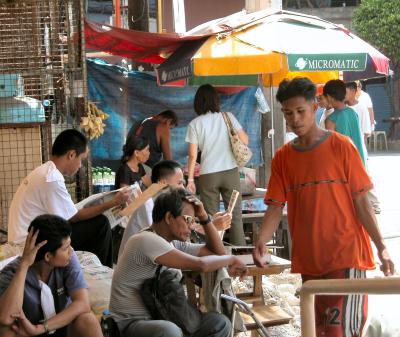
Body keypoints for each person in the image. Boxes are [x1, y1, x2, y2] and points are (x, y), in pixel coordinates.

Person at [253, 77, 394, 337]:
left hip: (347, 256)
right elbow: (274, 206)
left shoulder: (342, 147)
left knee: (340, 332)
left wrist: (382, 247)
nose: (294, 119)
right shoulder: (283, 157)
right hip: (310, 262)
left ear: (314, 107)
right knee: (321, 332)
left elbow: (362, 201)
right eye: (287, 113)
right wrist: (261, 240)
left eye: (300, 111)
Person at [110, 188, 247, 337]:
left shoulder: (172, 243)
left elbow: (217, 253)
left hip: (164, 315)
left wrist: (204, 218)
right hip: (132, 324)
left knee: (219, 323)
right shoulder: (145, 240)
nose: (191, 226)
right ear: (169, 218)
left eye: (194, 221)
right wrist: (232, 259)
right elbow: (201, 264)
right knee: (170, 331)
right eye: (188, 219)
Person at [8, 129, 131, 268]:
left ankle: (90, 268)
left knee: (95, 223)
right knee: (100, 224)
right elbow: (73, 217)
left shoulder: (46, 171)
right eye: (81, 160)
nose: (80, 166)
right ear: (71, 155)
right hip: (28, 244)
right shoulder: (51, 179)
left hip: (31, 236)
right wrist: (113, 203)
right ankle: (101, 272)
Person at [0, 214, 102, 337]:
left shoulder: (69, 259)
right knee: (6, 331)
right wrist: (24, 265)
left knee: (88, 320)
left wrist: (41, 328)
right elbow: (5, 319)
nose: (71, 250)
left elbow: (83, 303)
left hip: (59, 328)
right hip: (27, 333)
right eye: (65, 248)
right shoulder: (12, 272)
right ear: (48, 256)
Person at [117, 160, 232, 258]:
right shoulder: (147, 205)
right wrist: (210, 226)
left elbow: (187, 228)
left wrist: (207, 221)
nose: (183, 188)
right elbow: (169, 236)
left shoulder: (168, 206)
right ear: (162, 183)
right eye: (179, 183)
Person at [185, 84, 249, 246]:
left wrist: (190, 180)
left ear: (198, 103)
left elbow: (193, 155)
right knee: (235, 216)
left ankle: (214, 258)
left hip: (208, 175)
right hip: (230, 172)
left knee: (211, 219)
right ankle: (239, 257)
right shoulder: (228, 117)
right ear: (216, 100)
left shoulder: (195, 124)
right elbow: (245, 140)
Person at [323, 79, 367, 166]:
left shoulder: (331, 120)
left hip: (343, 168)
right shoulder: (353, 113)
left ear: (329, 97)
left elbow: (332, 148)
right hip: (359, 164)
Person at [345, 81, 372, 146]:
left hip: (358, 145)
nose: (343, 94)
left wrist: (364, 153)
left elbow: (366, 133)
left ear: (353, 91)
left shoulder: (362, 107)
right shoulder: (342, 107)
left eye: (345, 92)